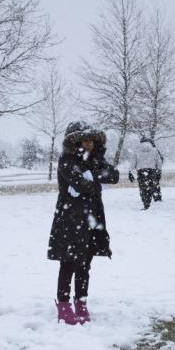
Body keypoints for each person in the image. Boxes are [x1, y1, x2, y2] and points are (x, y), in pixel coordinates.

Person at [47, 121, 120, 324]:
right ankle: (63, 305)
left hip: (91, 220)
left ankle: (81, 303)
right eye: (84, 140)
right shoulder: (67, 160)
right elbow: (81, 184)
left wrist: (92, 175)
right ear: (75, 141)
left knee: (85, 265)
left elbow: (114, 176)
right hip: (70, 220)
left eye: (91, 140)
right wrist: (94, 179)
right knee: (68, 263)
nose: (88, 144)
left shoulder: (96, 160)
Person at [131, 136, 164, 210]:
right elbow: (159, 162)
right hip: (151, 170)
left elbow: (133, 162)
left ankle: (146, 203)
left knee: (143, 188)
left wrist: (131, 171)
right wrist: (159, 170)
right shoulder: (154, 150)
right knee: (152, 186)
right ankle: (154, 197)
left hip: (141, 171)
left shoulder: (136, 150)